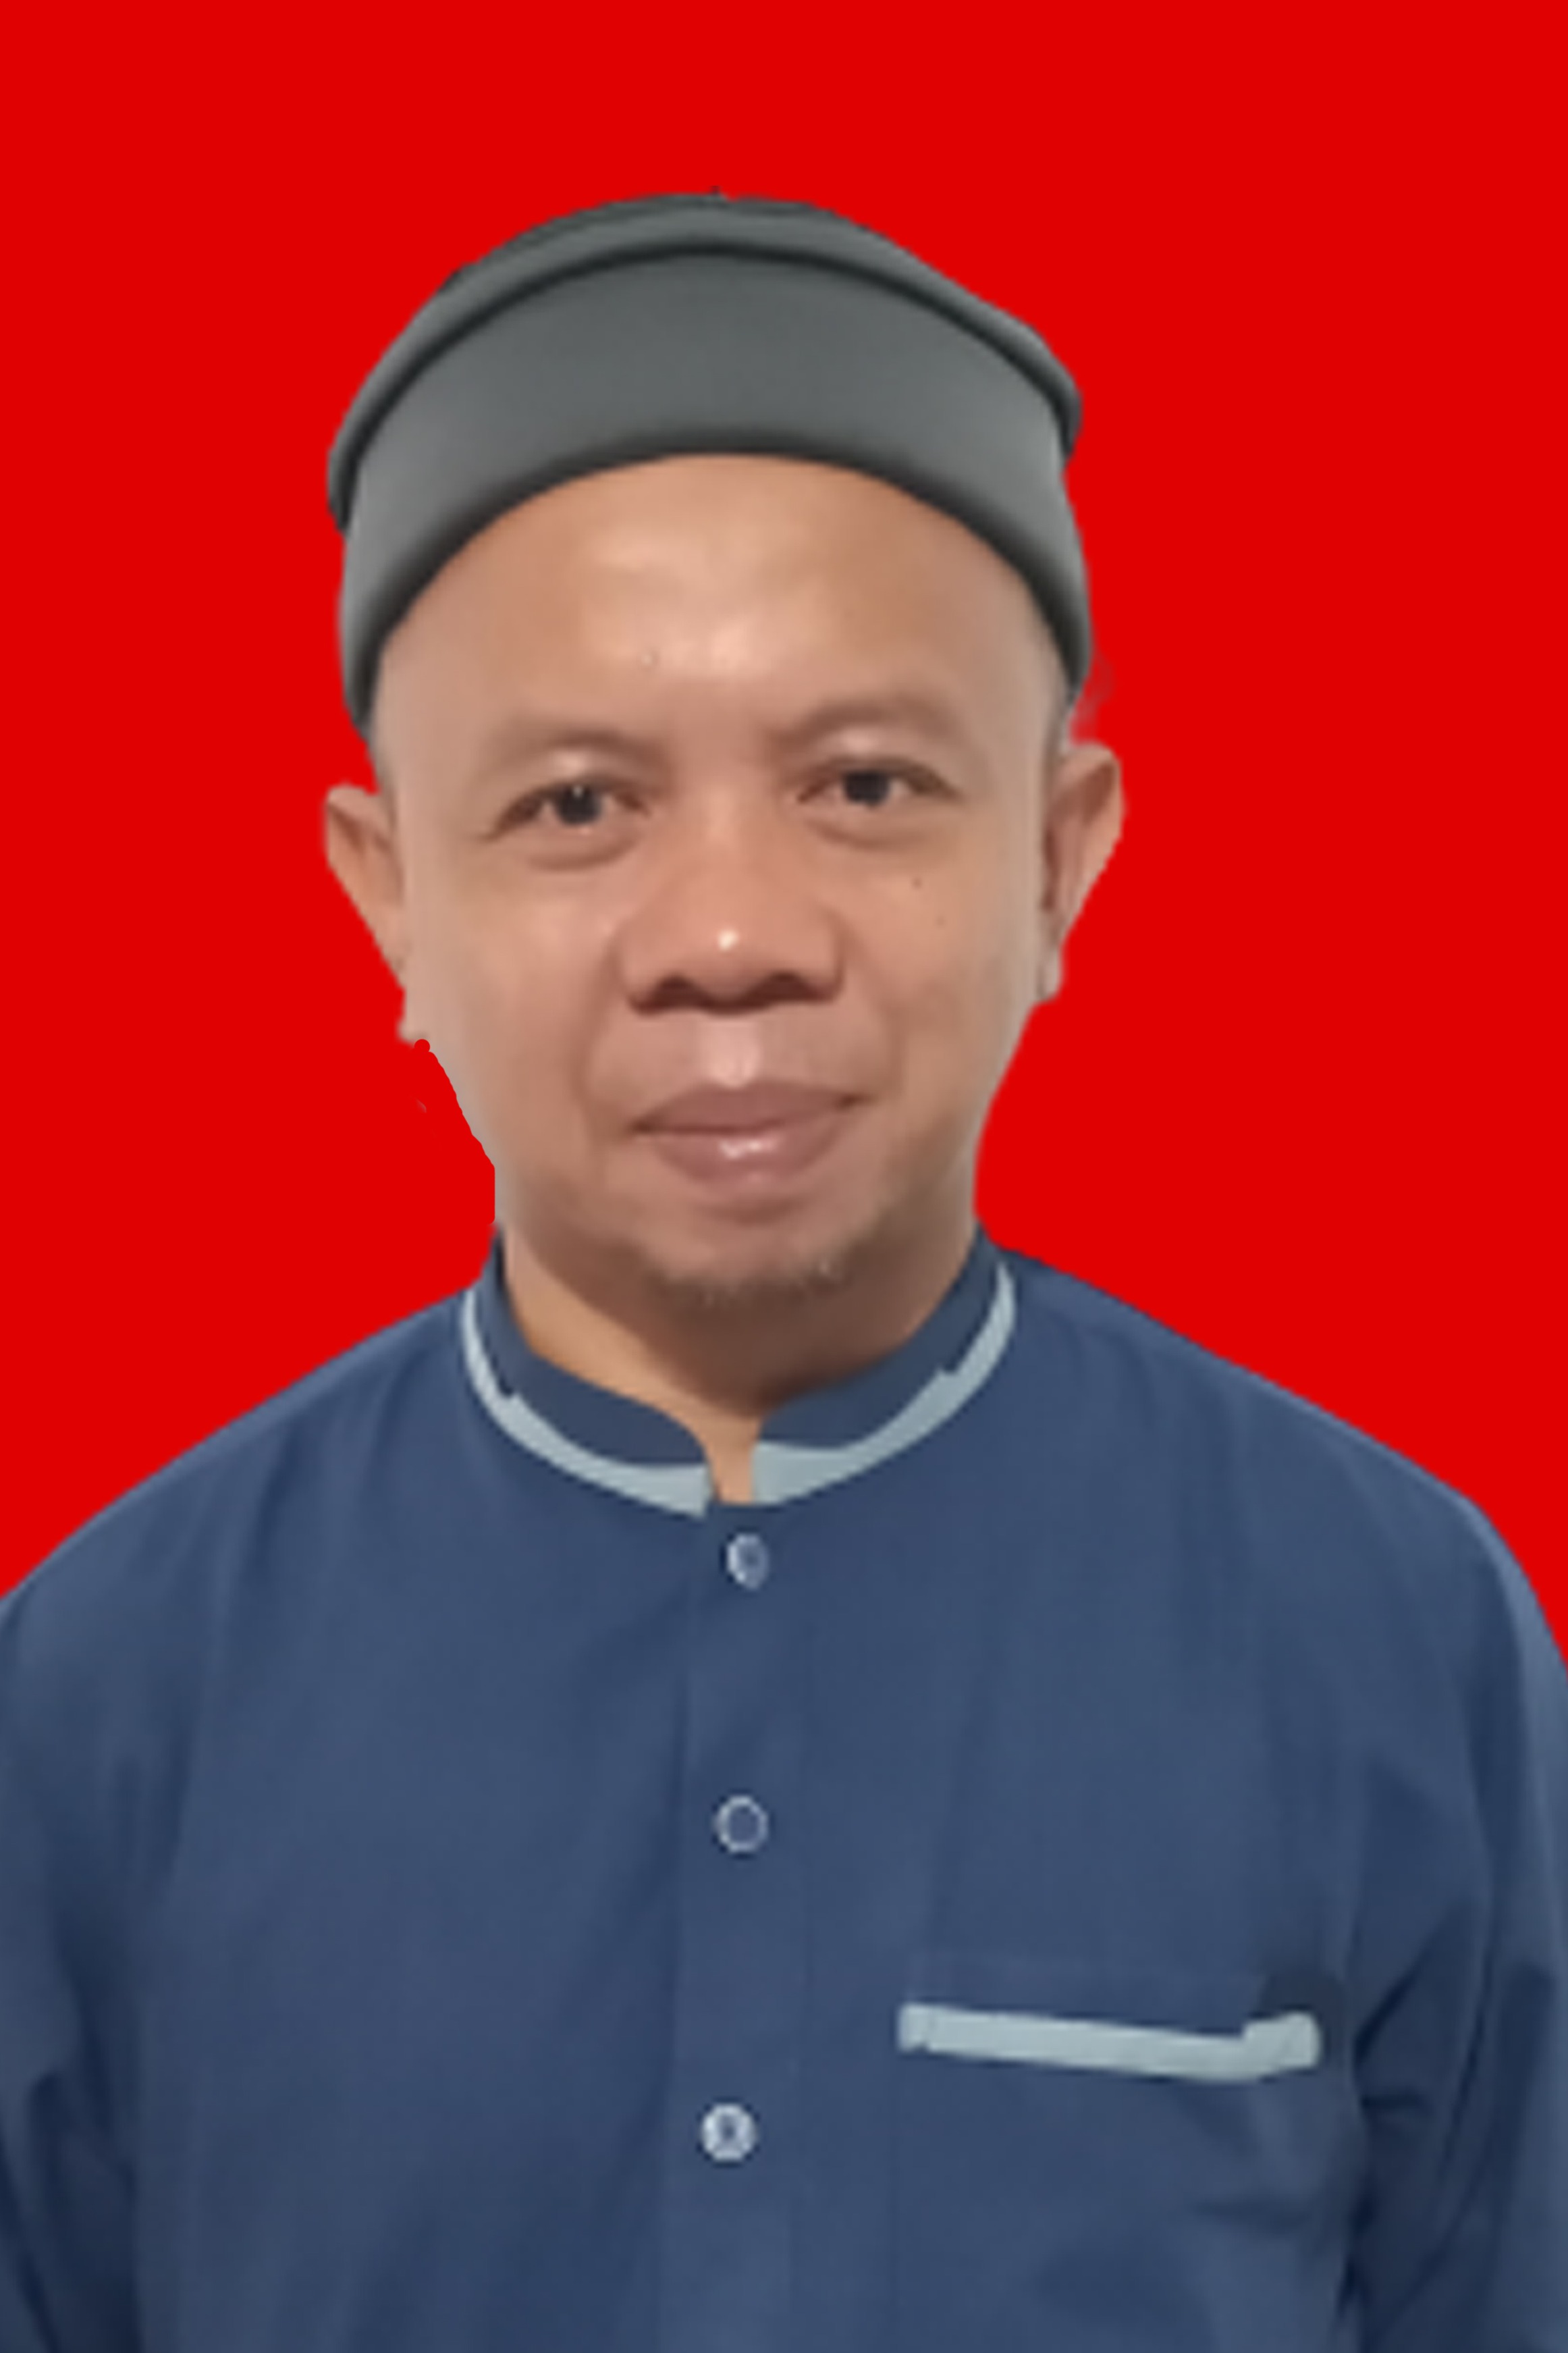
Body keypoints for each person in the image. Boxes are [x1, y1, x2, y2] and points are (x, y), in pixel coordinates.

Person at [1, 192, 1563, 2353]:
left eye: (864, 783)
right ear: (388, 897)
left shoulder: (1393, 1633)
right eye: (575, 806)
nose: (728, 936)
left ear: (1057, 856)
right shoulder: (96, 1695)